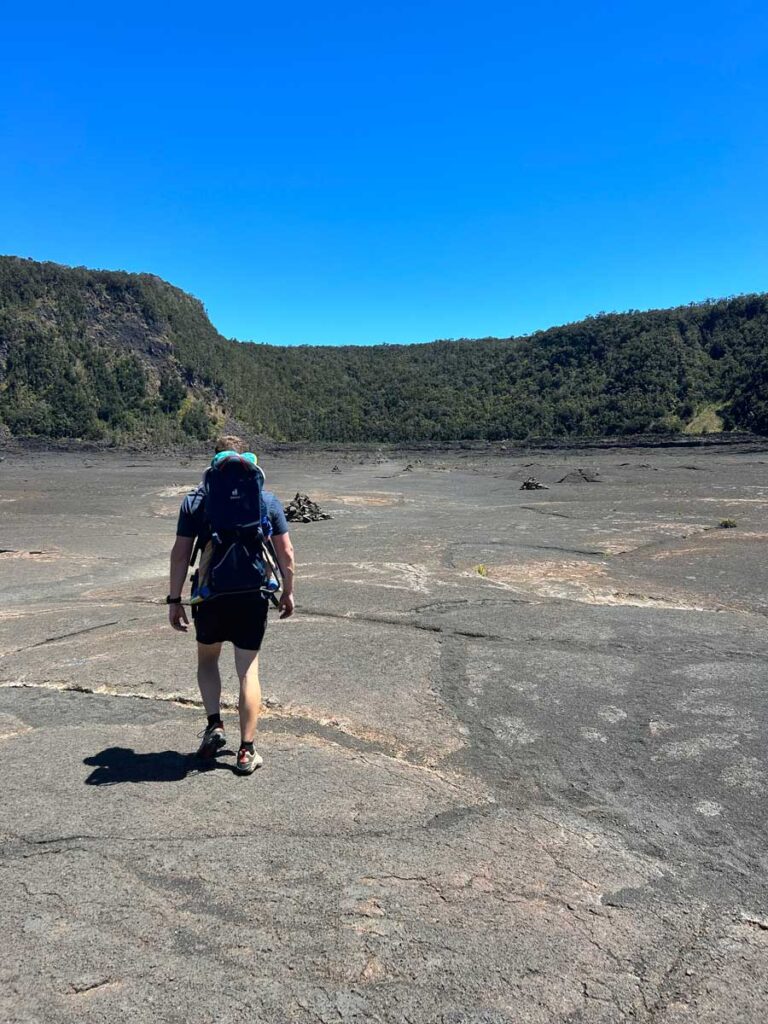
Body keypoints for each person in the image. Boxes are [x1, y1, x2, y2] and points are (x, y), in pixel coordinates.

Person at [167, 437, 295, 774]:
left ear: (214, 462)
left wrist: (174, 599)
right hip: (253, 595)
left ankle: (215, 725)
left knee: (208, 660)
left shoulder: (196, 501)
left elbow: (180, 554)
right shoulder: (265, 499)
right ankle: (246, 751)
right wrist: (288, 591)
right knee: (248, 670)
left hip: (210, 595)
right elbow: (286, 554)